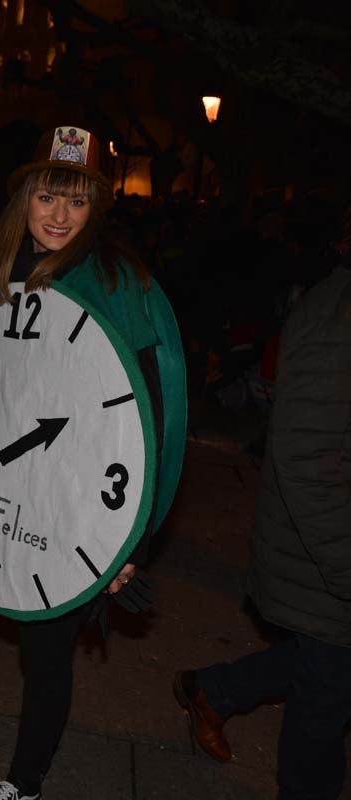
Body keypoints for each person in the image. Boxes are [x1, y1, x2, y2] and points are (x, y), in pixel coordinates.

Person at [0, 125, 171, 800]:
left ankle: (27, 780)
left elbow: (149, 416)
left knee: (46, 654)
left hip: (68, 504)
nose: (60, 215)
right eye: (48, 196)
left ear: (95, 210)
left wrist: (132, 535)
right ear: (26, 201)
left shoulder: (116, 281)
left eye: (76, 202)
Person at [173, 209, 351, 800]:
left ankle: (215, 690)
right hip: (326, 559)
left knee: (327, 669)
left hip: (323, 559)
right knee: (324, 708)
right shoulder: (338, 317)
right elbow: (309, 462)